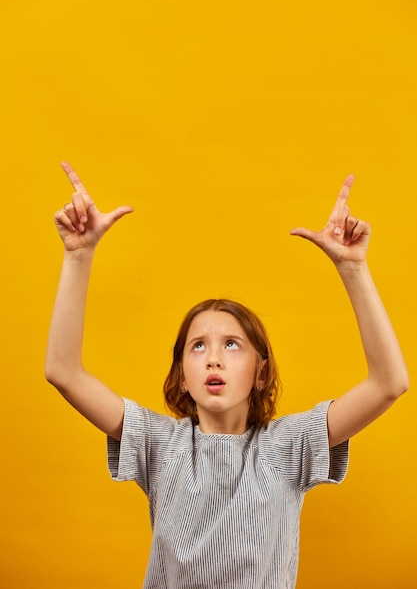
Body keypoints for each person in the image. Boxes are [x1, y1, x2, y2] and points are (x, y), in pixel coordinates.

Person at [45, 162, 409, 589]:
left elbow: (389, 383)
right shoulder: (159, 445)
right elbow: (63, 372)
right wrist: (78, 255)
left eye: (232, 345)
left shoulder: (288, 448)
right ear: (183, 376)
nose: (213, 358)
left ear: (261, 372)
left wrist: (353, 269)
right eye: (197, 346)